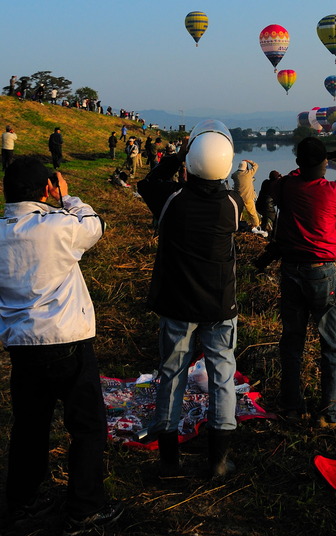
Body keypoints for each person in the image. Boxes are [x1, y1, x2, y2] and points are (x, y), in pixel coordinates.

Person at [0, 157, 123, 533]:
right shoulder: (58, 225)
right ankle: (83, 508)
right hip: (68, 339)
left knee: (29, 426)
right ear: (47, 189)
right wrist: (67, 197)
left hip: (21, 344)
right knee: (86, 426)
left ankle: (23, 503)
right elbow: (96, 224)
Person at [137, 119, 243, 480]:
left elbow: (146, 183)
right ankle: (218, 461)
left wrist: (176, 156)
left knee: (171, 375)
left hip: (177, 303)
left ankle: (169, 462)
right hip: (219, 304)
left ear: (191, 161)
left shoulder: (169, 198)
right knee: (222, 377)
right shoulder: (233, 204)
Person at [271, 137, 336, 425]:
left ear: (299, 163)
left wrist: (297, 170)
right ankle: (331, 414)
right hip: (321, 274)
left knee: (292, 341)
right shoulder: (334, 192)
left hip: (290, 271)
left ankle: (291, 407)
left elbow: (280, 184)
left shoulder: (287, 187)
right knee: (334, 346)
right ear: (325, 163)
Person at [231, 158, 264, 232]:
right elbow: (256, 165)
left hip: (238, 198)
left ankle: (237, 226)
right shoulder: (249, 173)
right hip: (248, 197)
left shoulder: (235, 175)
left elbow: (232, 176)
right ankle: (257, 226)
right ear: (246, 167)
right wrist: (249, 161)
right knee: (252, 213)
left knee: (239, 213)